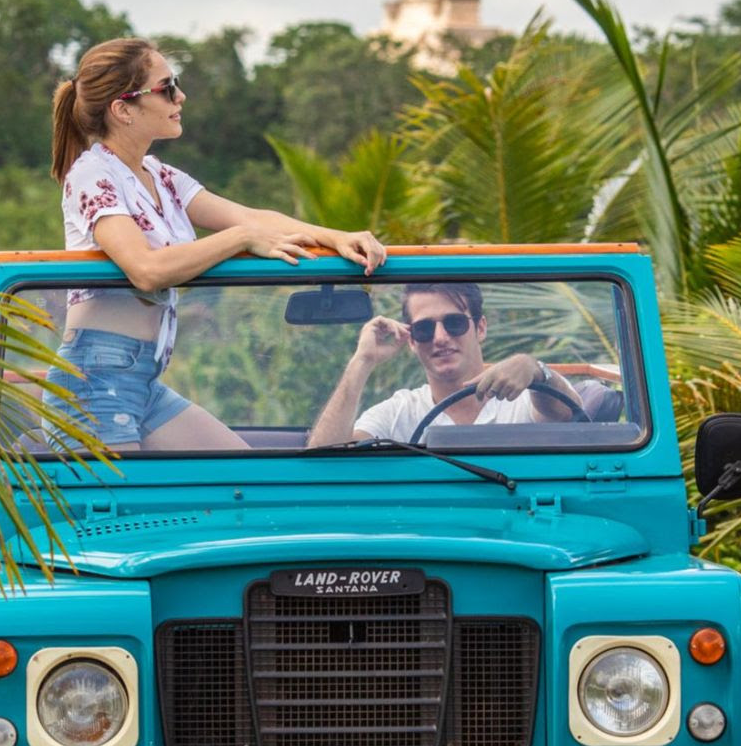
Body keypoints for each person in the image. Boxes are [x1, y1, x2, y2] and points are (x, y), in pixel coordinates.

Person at [45, 37, 387, 451]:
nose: (181, 96)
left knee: (244, 478)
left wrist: (338, 237)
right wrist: (241, 239)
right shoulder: (92, 175)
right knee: (125, 513)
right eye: (167, 87)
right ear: (123, 109)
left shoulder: (159, 175)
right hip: (93, 377)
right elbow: (146, 270)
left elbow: (255, 218)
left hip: (141, 377)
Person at [307, 281, 583, 445]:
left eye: (454, 323)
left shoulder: (526, 399)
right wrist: (362, 361)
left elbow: (569, 415)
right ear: (412, 340)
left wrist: (535, 371)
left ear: (481, 328)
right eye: (424, 329)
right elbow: (323, 461)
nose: (440, 338)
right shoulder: (399, 412)